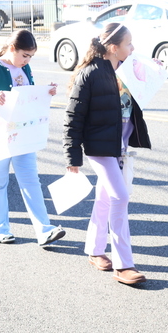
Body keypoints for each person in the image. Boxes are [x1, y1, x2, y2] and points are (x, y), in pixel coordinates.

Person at [63, 22, 151, 285]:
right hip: (100, 146)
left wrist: (152, 74)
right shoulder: (90, 74)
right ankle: (124, 265)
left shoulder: (125, 71)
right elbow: (73, 117)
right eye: (128, 44)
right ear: (113, 48)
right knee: (120, 197)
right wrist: (72, 158)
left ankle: (94, 250)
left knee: (105, 197)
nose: (132, 48)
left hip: (119, 145)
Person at [0, 29, 66, 246]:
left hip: (23, 132)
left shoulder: (25, 68)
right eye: (24, 55)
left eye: (31, 57)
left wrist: (45, 93)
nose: (27, 60)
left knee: (31, 180)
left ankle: (44, 230)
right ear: (12, 48)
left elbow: (28, 97)